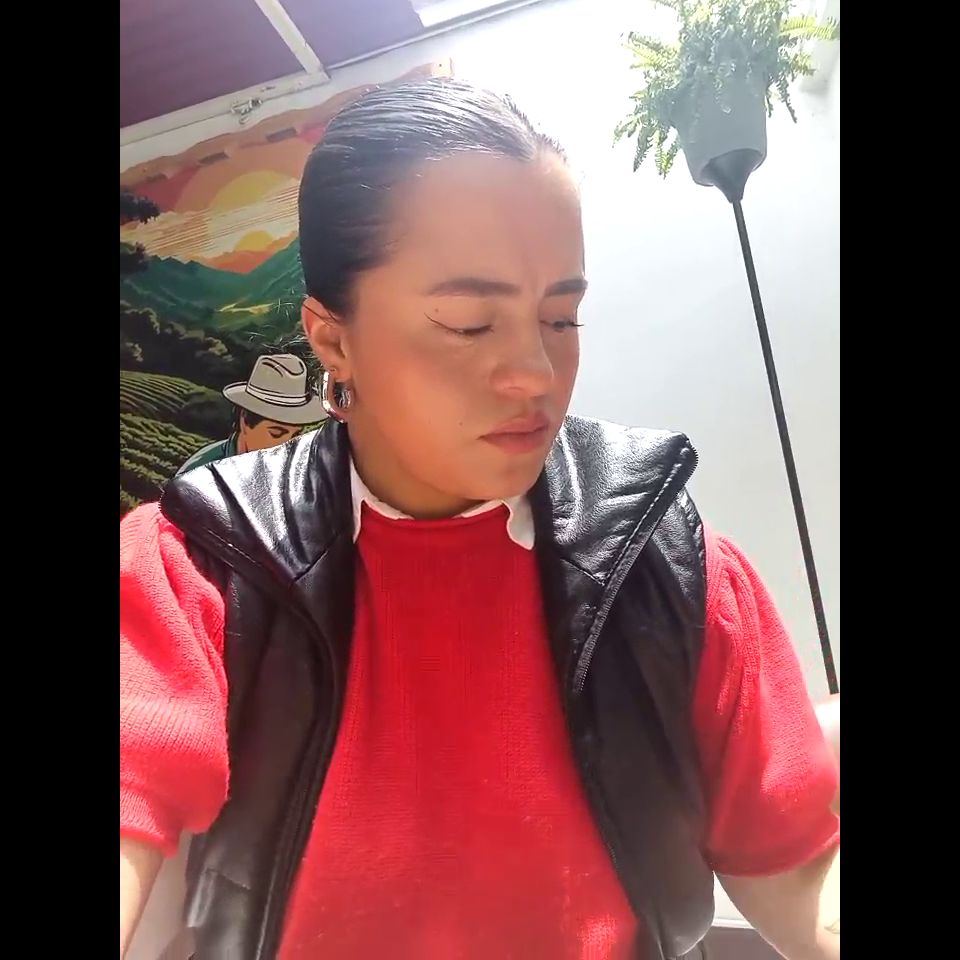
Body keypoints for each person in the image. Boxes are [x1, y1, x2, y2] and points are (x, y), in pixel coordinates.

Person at [120, 78, 839, 960]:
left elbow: (796, 866)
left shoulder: (665, 564)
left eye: (561, 317)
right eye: (468, 324)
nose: (535, 372)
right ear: (332, 338)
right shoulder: (197, 566)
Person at [176, 353, 326, 475]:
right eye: (276, 433)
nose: (288, 446)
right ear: (245, 422)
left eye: (296, 436)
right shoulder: (199, 474)